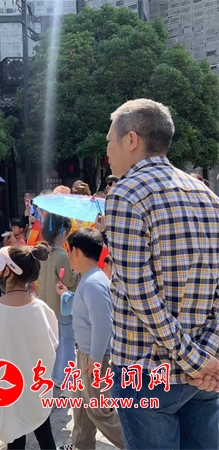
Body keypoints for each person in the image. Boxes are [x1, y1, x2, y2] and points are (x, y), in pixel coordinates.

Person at [105, 99, 219, 448]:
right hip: (205, 368)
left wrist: (194, 361)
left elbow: (141, 295)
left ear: (131, 140)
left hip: (146, 370)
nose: (107, 152)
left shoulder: (126, 194)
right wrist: (208, 355)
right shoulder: (207, 196)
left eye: (109, 141)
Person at [0, 244, 58, 449]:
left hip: (8, 390)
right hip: (37, 388)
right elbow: (52, 345)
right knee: (44, 433)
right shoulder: (42, 309)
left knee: (14, 439)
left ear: (7, 272)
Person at [55, 229, 124, 450]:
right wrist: (66, 295)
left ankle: (137, 444)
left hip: (94, 356)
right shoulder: (91, 279)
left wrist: (94, 359)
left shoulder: (93, 282)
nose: (68, 254)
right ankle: (80, 444)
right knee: (82, 405)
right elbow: (84, 309)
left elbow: (103, 325)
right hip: (87, 353)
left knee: (100, 411)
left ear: (76, 251)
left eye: (68, 249)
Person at [39, 213, 80, 388]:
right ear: (62, 231)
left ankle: (56, 375)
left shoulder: (43, 251)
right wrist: (81, 271)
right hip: (61, 305)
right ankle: (67, 378)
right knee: (68, 341)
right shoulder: (61, 255)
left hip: (46, 302)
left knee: (55, 342)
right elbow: (71, 281)